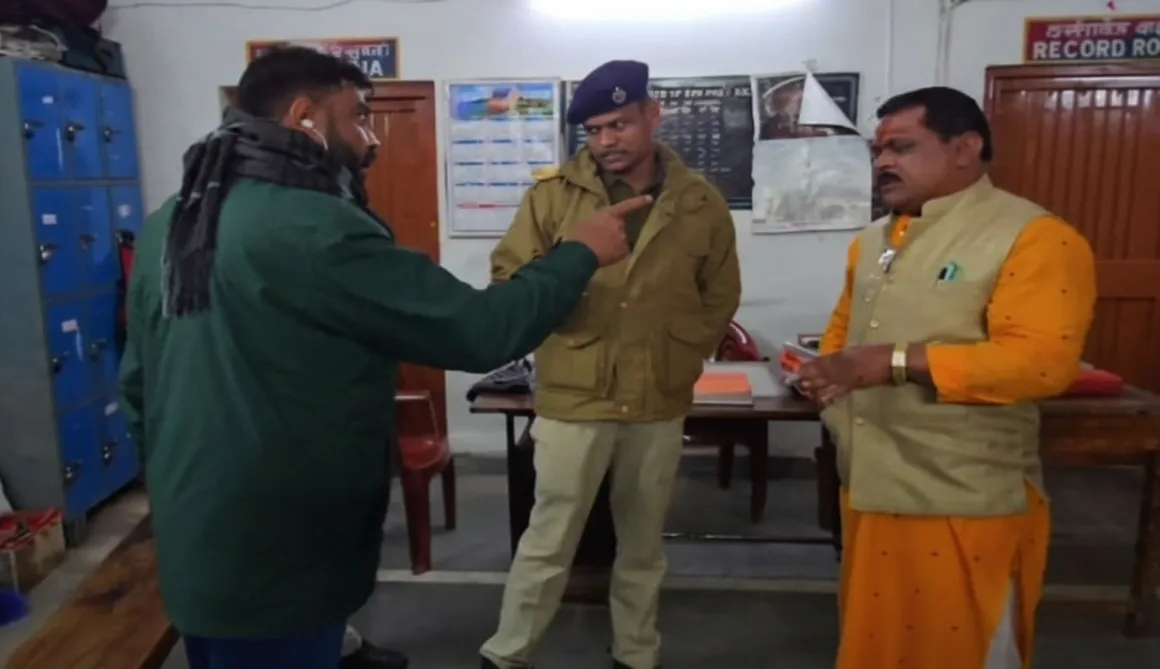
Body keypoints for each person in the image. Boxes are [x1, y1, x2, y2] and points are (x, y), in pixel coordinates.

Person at [118, 46, 651, 669]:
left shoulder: (174, 219)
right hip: (280, 537)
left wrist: (179, 485)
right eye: (358, 117)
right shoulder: (314, 228)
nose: (370, 139)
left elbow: (137, 384)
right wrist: (579, 253)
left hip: (195, 523)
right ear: (305, 116)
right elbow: (481, 331)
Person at [797, 86, 1096, 669]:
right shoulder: (873, 240)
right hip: (871, 487)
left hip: (962, 496)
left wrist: (894, 362)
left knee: (962, 648)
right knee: (878, 647)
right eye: (878, 151)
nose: (883, 162)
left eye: (902, 147)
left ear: (965, 148)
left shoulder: (1033, 236)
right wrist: (827, 379)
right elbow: (843, 333)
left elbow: (1040, 363)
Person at [480, 60, 742, 669]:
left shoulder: (699, 202)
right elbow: (509, 279)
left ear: (653, 114)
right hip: (575, 392)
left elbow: (720, 292)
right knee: (549, 538)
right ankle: (507, 654)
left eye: (619, 124)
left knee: (643, 543)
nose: (606, 142)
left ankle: (636, 652)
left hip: (657, 396)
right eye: (594, 130)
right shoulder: (552, 197)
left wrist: (683, 351)